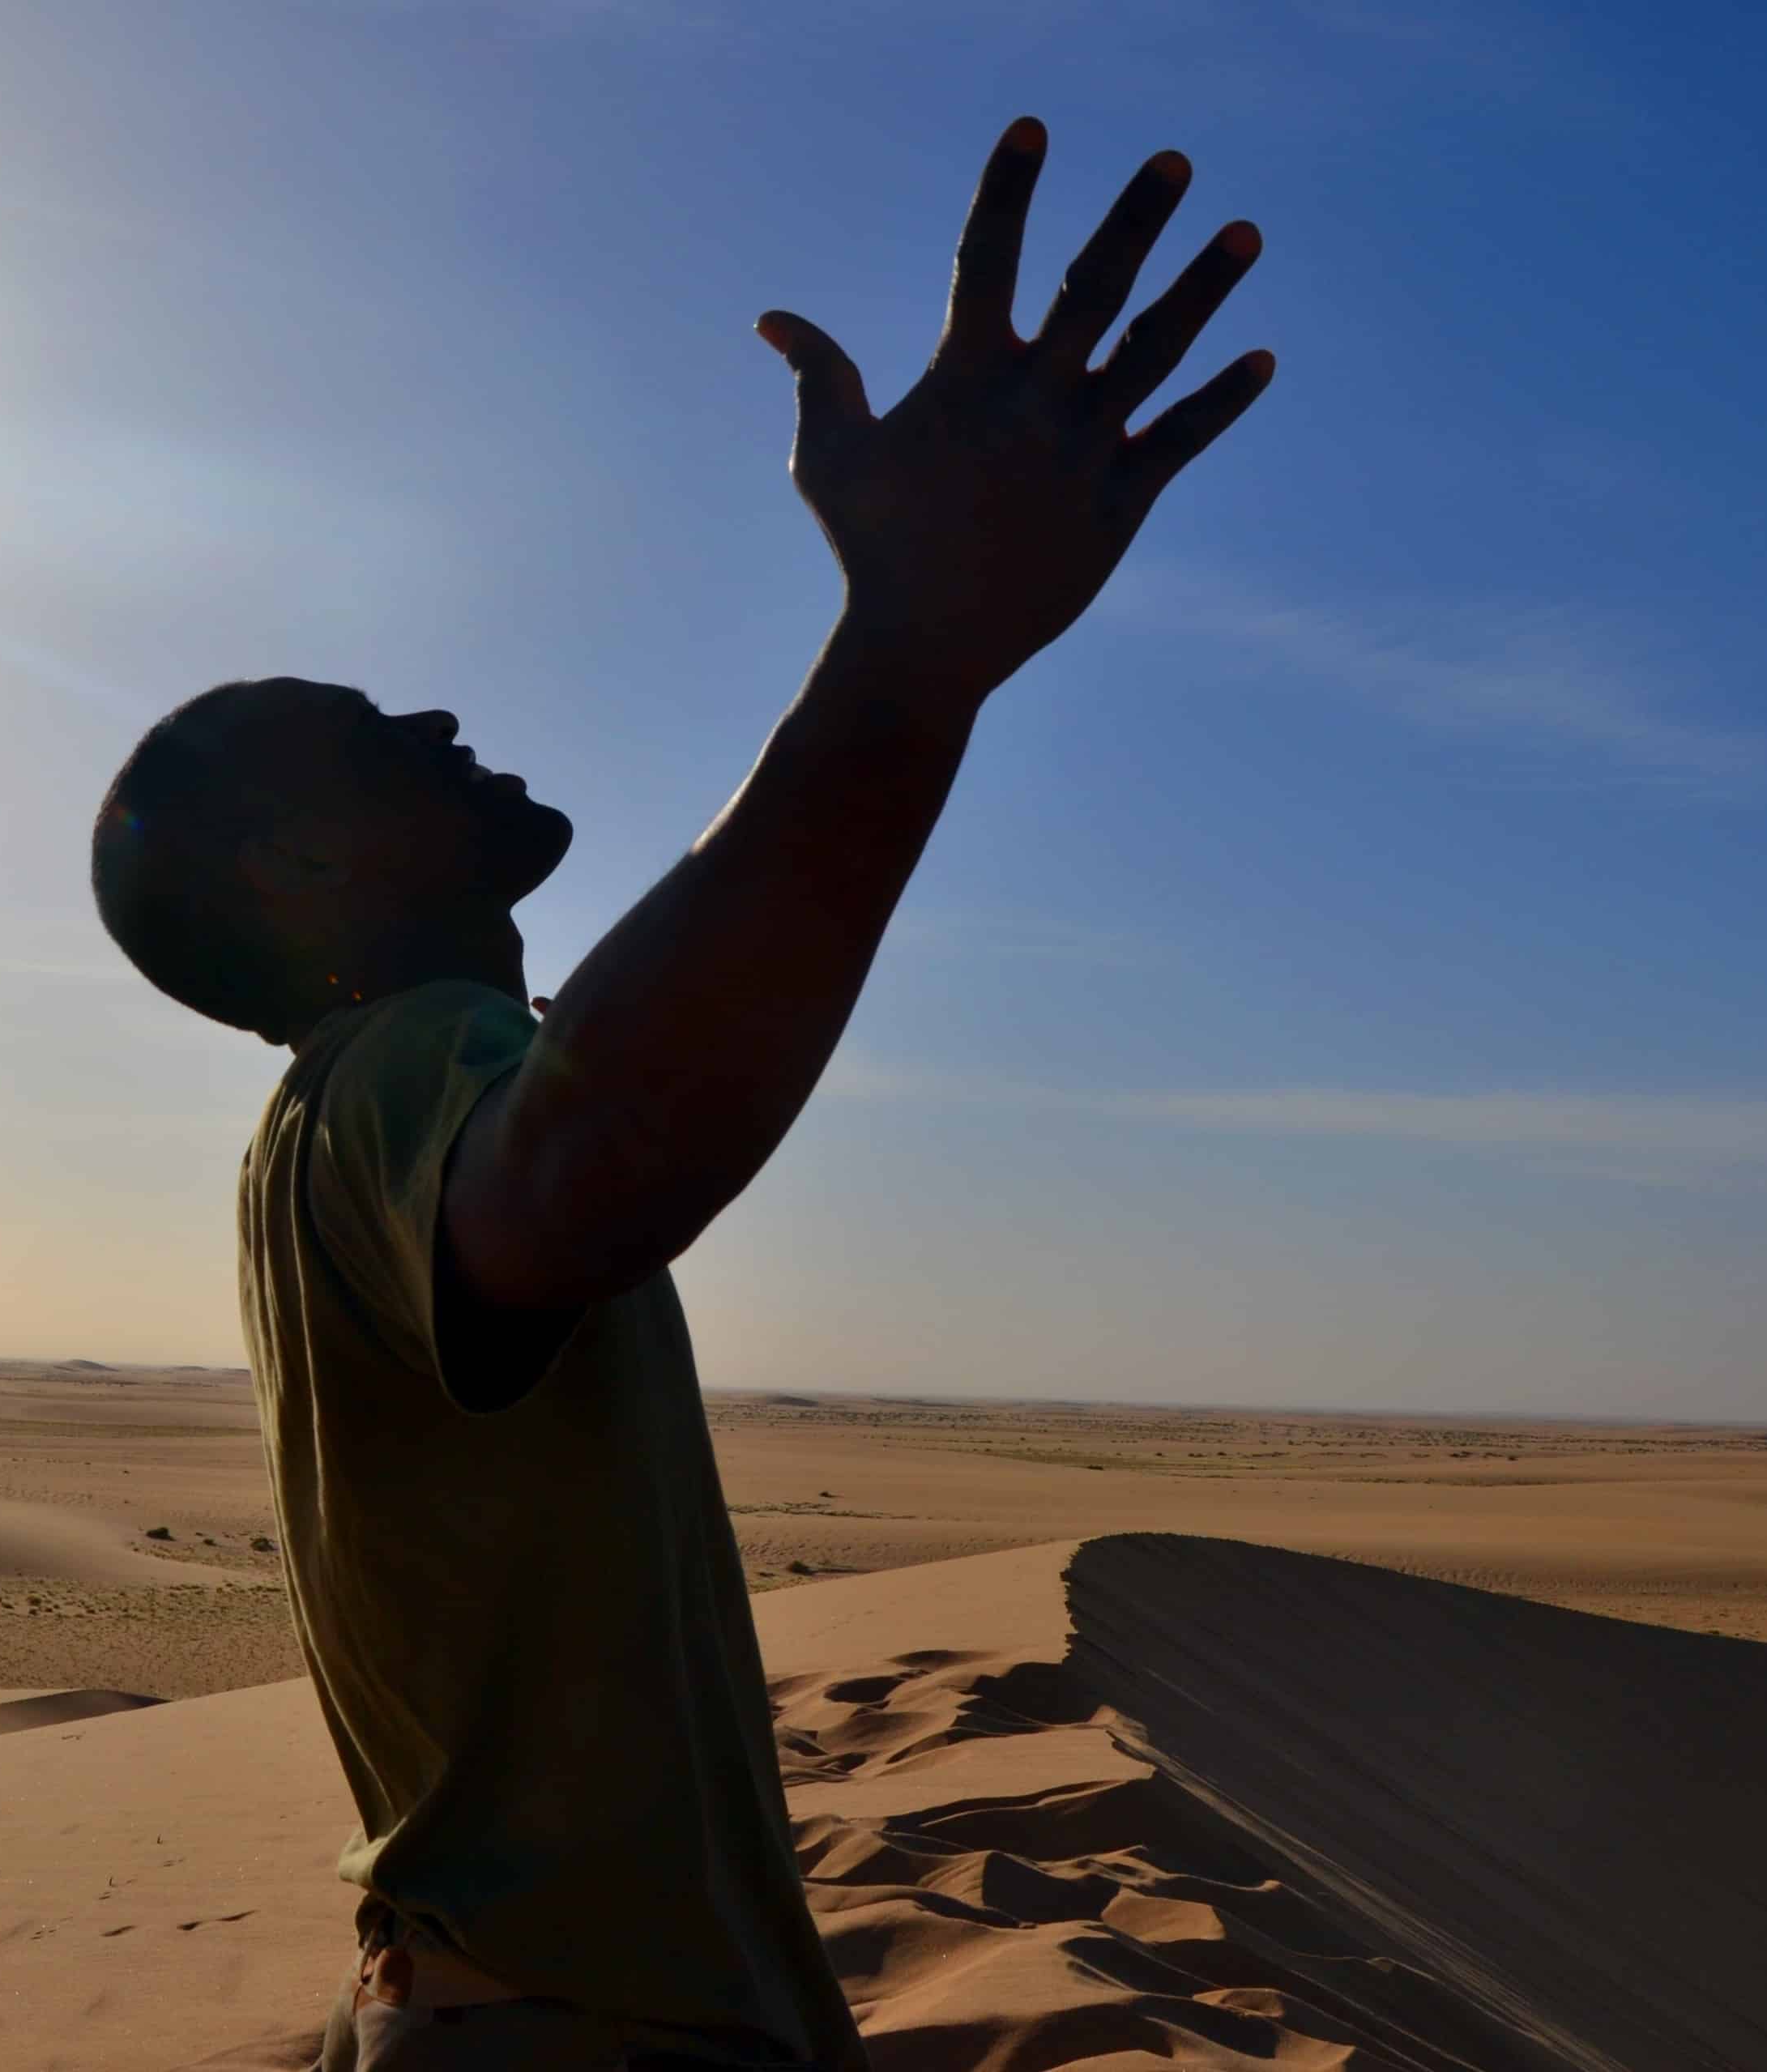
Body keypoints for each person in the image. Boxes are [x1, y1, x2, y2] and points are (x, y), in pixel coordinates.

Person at [92, 117, 1275, 2072]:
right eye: (364, 735)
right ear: (297, 877)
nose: (438, 721)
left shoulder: (331, 1126)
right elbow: (593, 1166)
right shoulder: (401, 1066)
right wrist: (913, 651)